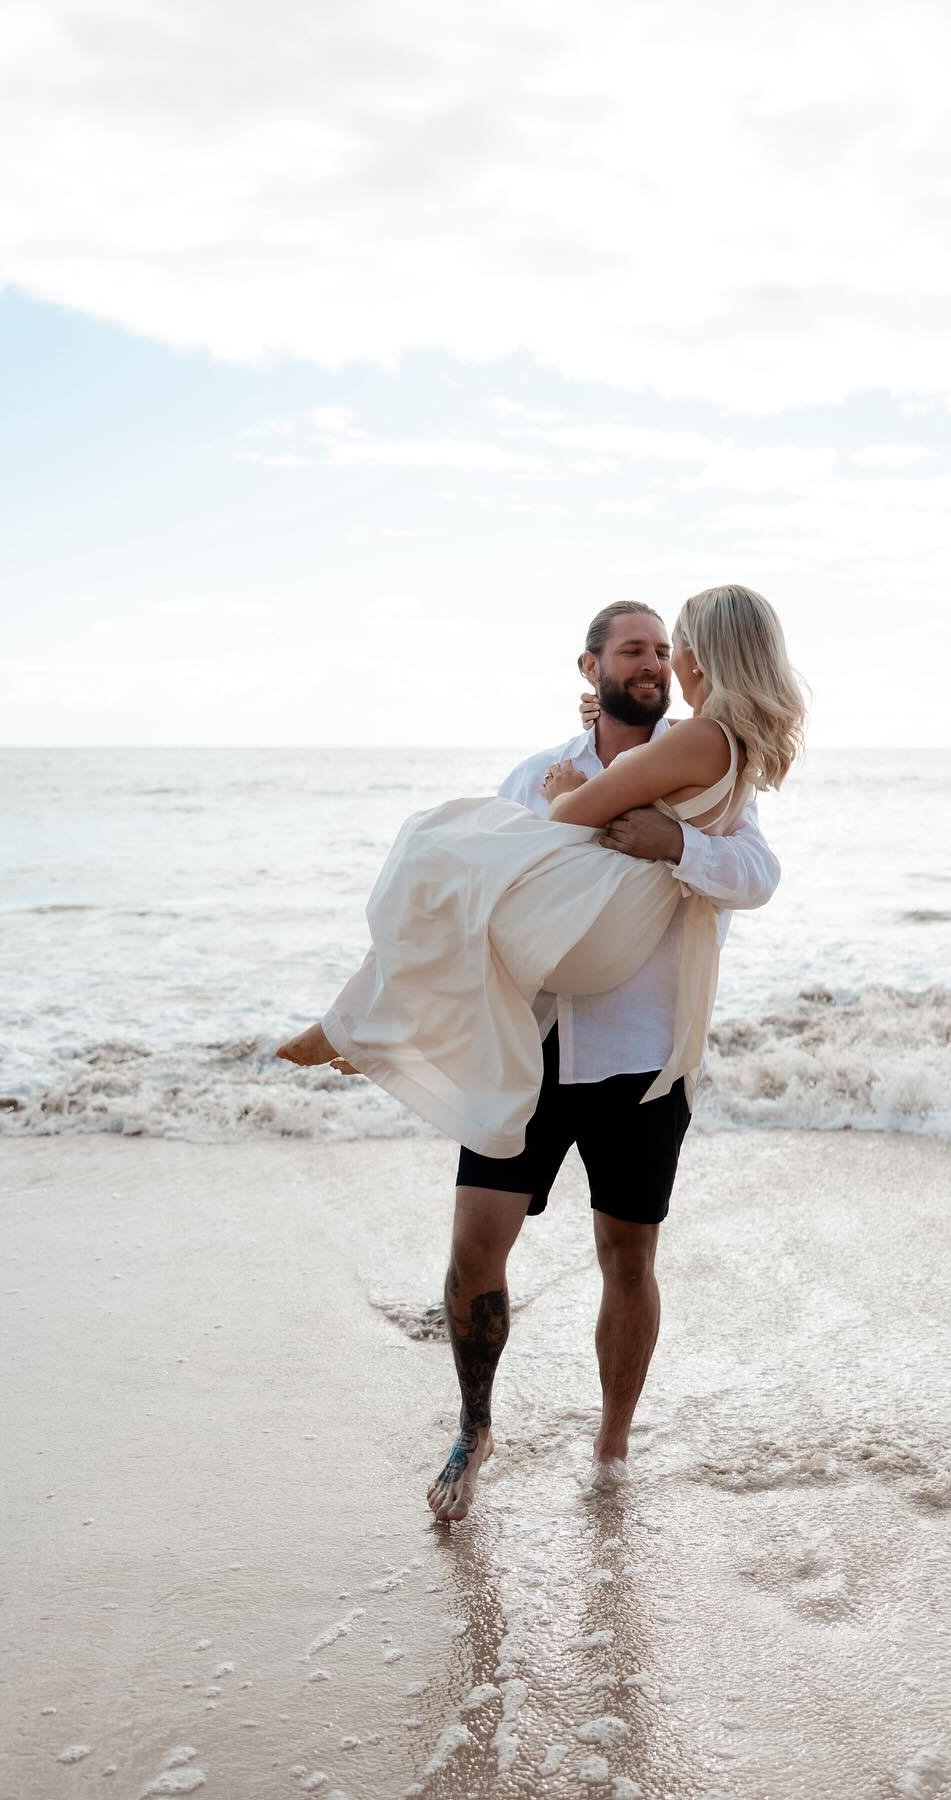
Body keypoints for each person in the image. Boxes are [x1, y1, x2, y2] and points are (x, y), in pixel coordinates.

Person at [277, 585, 805, 1519]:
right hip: (536, 1043)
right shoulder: (544, 767)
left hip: (640, 1054)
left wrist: (672, 841)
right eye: (634, 650)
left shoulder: (701, 757)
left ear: (698, 661)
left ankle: (611, 1446)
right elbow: (518, 873)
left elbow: (756, 876)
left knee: (627, 1256)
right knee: (476, 1244)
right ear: (592, 669)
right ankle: (474, 1426)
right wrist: (597, 811)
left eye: (666, 649)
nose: (654, 664)